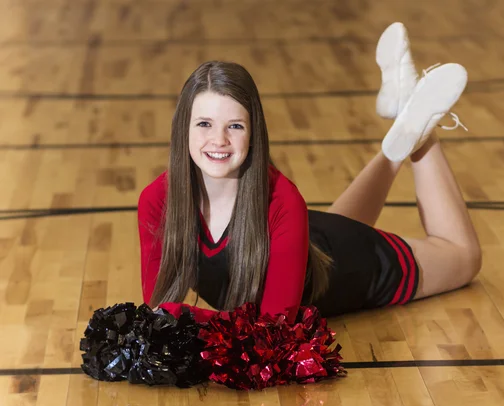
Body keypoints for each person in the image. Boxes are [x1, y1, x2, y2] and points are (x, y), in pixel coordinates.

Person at [137, 22, 482, 325]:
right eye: (204, 124)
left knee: (464, 257)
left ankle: (423, 130)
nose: (219, 140)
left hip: (351, 270)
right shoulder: (157, 200)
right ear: (183, 127)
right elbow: (157, 308)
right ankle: (402, 119)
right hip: (306, 242)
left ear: (255, 132)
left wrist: (186, 318)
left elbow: (275, 327)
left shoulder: (282, 200)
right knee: (323, 232)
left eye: (235, 126)